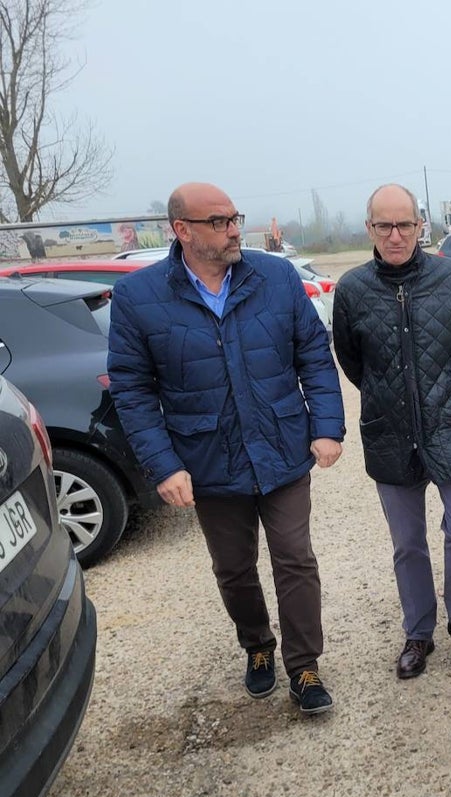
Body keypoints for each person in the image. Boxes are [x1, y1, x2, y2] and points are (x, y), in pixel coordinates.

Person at [107, 182, 345, 715]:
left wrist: (327, 426)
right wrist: (164, 464)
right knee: (234, 568)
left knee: (295, 559)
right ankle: (257, 645)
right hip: (209, 459)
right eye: (218, 221)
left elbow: (313, 354)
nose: (234, 229)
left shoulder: (276, 277)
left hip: (282, 449)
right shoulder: (139, 297)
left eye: (234, 217)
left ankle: (304, 665)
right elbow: (133, 388)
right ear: (182, 231)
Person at [333, 184, 451, 680]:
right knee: (407, 543)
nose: (395, 235)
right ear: (370, 230)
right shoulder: (353, 289)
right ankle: (418, 631)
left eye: (404, 224)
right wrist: (392, 399)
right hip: (390, 432)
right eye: (384, 225)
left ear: (420, 226)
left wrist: (450, 397)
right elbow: (352, 359)